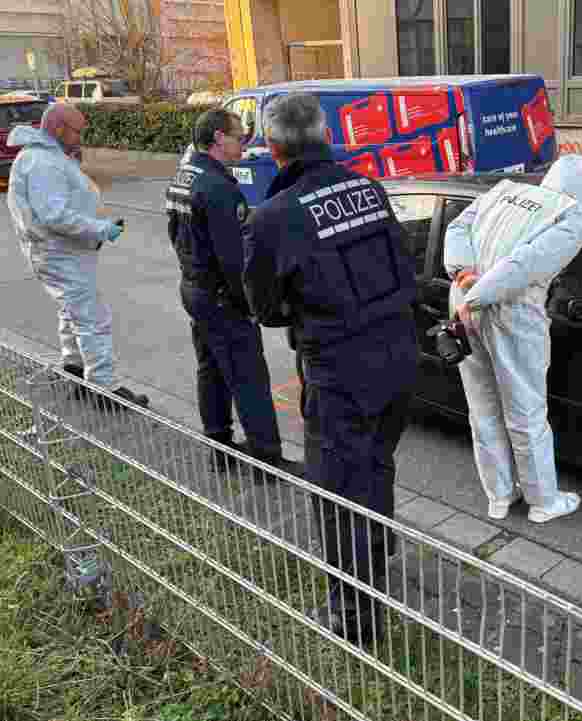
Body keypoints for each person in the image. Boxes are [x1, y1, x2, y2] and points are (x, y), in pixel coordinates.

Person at [242, 93, 418, 645]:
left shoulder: (273, 217)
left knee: (338, 491)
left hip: (342, 371)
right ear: (326, 135)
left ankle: (355, 618)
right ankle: (379, 548)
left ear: (272, 149)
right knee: (378, 462)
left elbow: (264, 308)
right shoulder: (366, 187)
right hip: (399, 356)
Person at [443, 154, 582, 524]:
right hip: (511, 313)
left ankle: (499, 495)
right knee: (526, 412)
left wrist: (464, 279)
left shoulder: (504, 192)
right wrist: (477, 295)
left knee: (482, 407)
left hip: (463, 303)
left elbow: (457, 229)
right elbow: (524, 266)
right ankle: (543, 501)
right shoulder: (571, 220)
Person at [165, 108, 299, 477]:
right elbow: (234, 259)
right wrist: (251, 304)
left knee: (210, 369)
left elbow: (176, 235)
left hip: (194, 289)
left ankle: (219, 446)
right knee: (248, 376)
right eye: (240, 136)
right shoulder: (218, 187)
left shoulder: (183, 176)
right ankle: (266, 457)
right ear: (219, 138)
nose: (246, 142)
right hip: (222, 296)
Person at [6, 103, 148, 409]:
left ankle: (75, 369)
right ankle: (104, 388)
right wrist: (100, 229)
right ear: (59, 129)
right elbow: (54, 215)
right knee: (92, 318)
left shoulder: (43, 158)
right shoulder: (43, 163)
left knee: (70, 311)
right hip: (59, 253)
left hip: (57, 252)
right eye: (78, 131)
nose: (81, 137)